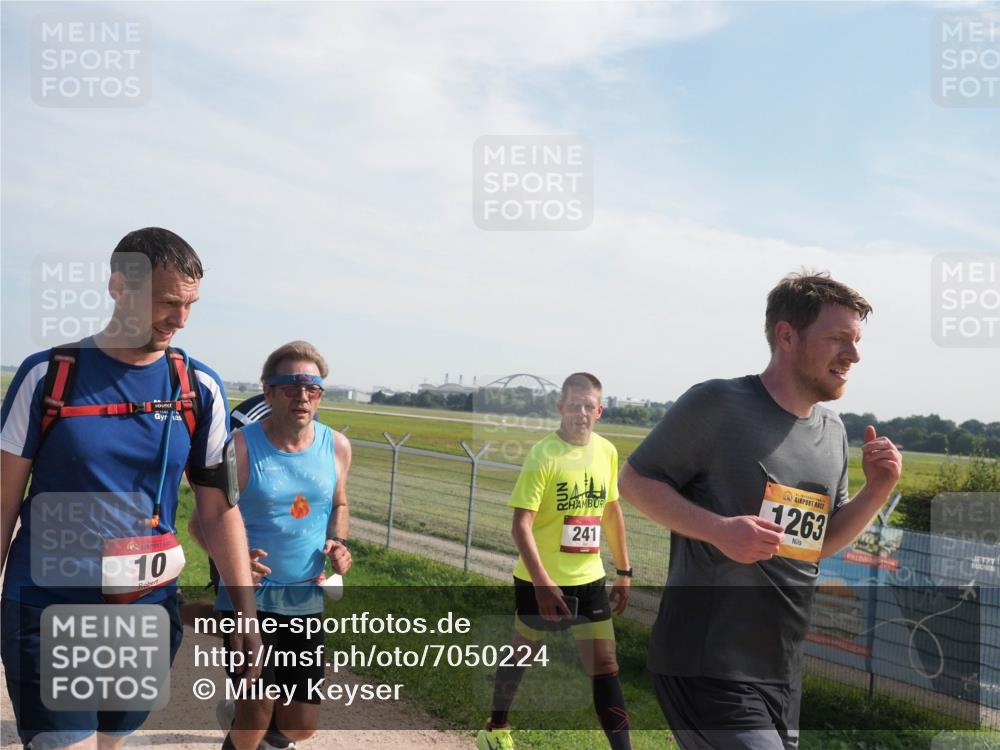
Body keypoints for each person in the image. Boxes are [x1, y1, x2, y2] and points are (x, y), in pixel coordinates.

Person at [0, 227, 262, 750]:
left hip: (145, 606)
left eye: (190, 305)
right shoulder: (48, 376)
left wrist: (245, 613)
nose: (180, 320)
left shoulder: (198, 387)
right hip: (47, 601)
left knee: (111, 742)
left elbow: (218, 510)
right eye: (168, 302)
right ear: (119, 286)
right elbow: (3, 502)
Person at [618, 271, 903, 750]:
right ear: (786, 336)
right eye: (838, 339)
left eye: (856, 342)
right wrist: (719, 530)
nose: (853, 355)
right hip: (706, 660)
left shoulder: (833, 431)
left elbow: (817, 545)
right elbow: (635, 480)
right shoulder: (718, 404)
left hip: (780, 670)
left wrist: (878, 489)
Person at [189, 341, 352, 750]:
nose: (302, 396)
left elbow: (340, 503)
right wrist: (234, 560)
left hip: (304, 599)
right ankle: (246, 724)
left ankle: (178, 614)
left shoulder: (337, 447)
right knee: (257, 711)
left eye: (311, 388)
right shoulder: (241, 448)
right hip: (249, 599)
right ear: (268, 391)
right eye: (289, 386)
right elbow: (198, 523)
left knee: (300, 725)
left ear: (320, 395)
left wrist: (339, 541)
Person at [477, 372, 633, 750]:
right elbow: (520, 525)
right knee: (522, 653)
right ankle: (496, 727)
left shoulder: (608, 452)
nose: (581, 413)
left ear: (600, 410)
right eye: (574, 405)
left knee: (606, 667)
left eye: (589, 406)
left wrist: (624, 570)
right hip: (539, 579)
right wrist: (543, 582)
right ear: (560, 407)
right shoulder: (543, 455)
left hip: (590, 578)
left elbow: (611, 513)